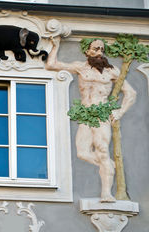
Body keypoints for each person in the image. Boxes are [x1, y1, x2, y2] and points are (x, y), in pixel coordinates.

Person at [46, 37, 136, 202]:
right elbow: (51, 65)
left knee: (102, 150)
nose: (99, 53)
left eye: (102, 49)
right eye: (95, 49)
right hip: (85, 114)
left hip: (102, 114)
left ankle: (106, 193)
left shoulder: (112, 71)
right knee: (82, 152)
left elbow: (131, 93)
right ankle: (108, 165)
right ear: (87, 51)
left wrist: (120, 112)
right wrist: (55, 45)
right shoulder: (80, 67)